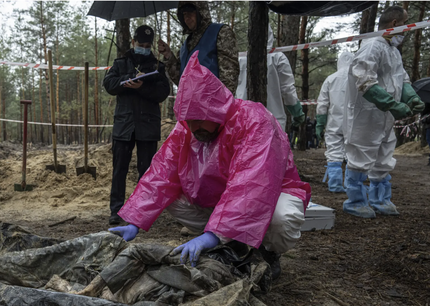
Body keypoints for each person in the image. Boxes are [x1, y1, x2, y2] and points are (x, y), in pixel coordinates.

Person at [108, 53, 311, 280]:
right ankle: (231, 240)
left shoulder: (254, 120)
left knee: (281, 217)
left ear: (216, 108)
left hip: (270, 195)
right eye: (188, 120)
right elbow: (161, 173)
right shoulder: (188, 128)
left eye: (199, 118)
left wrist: (212, 235)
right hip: (223, 199)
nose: (194, 127)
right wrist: (135, 221)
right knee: (171, 198)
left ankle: (268, 252)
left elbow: (251, 185)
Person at [343, 5, 424, 218]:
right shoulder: (372, 46)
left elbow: (401, 78)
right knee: (361, 153)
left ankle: (380, 199)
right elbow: (364, 79)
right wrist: (391, 104)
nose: (406, 31)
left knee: (384, 155)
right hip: (366, 114)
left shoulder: (392, 51)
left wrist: (411, 97)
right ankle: (356, 200)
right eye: (405, 25)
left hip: (385, 116)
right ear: (395, 24)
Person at [103, 25, 170, 225]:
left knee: (147, 171)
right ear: (133, 42)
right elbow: (109, 84)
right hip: (124, 125)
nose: (144, 48)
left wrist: (143, 87)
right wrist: (127, 80)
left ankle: (142, 211)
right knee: (119, 169)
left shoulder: (157, 66)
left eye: (148, 45)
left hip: (148, 126)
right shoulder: (121, 63)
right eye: (141, 44)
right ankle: (116, 211)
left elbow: (163, 92)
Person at [157, 1, 239, 94]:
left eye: (190, 12)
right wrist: (168, 55)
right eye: (184, 14)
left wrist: (222, 104)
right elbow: (181, 81)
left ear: (201, 12)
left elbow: (229, 75)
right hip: (190, 105)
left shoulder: (220, 32)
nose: (187, 17)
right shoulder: (186, 45)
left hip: (214, 103)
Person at [236, 26, 305, 132]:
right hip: (273, 118)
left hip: (244, 118)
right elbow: (287, 89)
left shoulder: (241, 59)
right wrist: (297, 112)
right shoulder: (278, 57)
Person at [316, 52, 354, 193]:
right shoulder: (358, 78)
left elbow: (322, 104)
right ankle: (352, 185)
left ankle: (335, 184)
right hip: (354, 123)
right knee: (353, 153)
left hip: (334, 122)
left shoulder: (330, 79)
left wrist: (320, 123)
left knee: (333, 152)